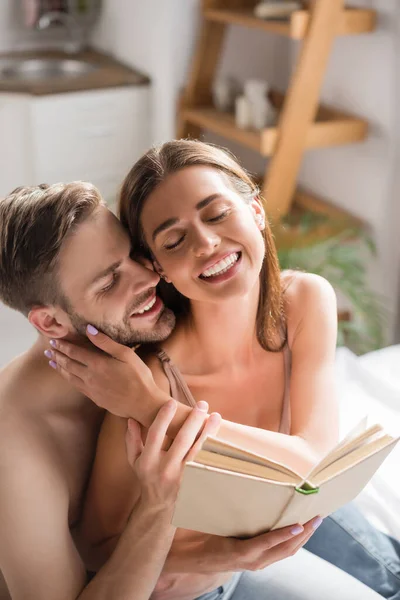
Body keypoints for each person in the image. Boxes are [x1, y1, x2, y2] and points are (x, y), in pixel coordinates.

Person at [49, 141, 388, 600]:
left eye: (217, 214)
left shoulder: (305, 300)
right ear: (159, 268)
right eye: (174, 240)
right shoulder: (148, 377)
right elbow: (94, 547)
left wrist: (153, 410)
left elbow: (313, 461)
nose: (206, 244)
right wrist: (227, 556)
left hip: (278, 513)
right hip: (197, 587)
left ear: (256, 211)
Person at [0, 182, 325, 600]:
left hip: (231, 537)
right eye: (109, 281)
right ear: (51, 324)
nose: (150, 275)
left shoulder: (144, 329)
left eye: (133, 253)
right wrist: (162, 508)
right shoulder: (17, 450)